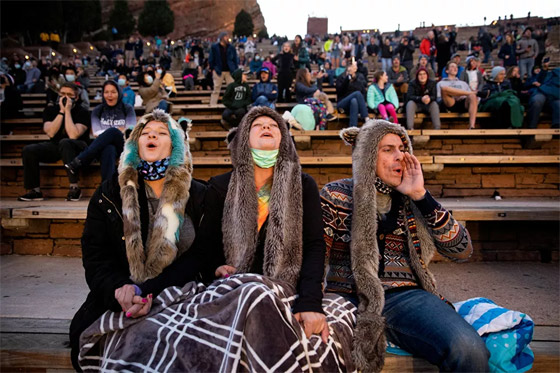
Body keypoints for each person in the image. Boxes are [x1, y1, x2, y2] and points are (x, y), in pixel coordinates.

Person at [320, 120, 489, 372]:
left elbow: (462, 250)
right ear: (365, 154)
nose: (400, 156)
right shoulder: (336, 194)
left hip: (405, 296)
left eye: (402, 148)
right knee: (318, 348)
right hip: (347, 295)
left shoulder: (414, 197)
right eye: (388, 149)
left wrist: (421, 196)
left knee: (468, 348)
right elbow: (312, 254)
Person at [69, 109, 208, 371]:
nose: (152, 134)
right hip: (122, 299)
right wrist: (120, 288)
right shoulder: (109, 193)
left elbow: (202, 254)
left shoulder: (200, 194)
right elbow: (96, 256)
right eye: (145, 132)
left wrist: (149, 291)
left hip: (182, 297)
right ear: (135, 143)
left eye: (162, 132)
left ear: (176, 145)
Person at [18, 83, 91, 201]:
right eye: (62, 94)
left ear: (76, 98)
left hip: (78, 147)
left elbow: (73, 135)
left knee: (66, 142)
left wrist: (68, 111)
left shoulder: (82, 112)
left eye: (69, 95)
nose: (65, 97)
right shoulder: (50, 110)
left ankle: (74, 187)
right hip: (56, 145)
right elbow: (50, 133)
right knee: (29, 150)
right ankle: (35, 190)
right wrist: (61, 112)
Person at [64, 80, 136, 181]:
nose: (109, 95)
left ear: (119, 93)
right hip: (103, 146)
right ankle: (107, 189)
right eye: (106, 92)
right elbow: (96, 133)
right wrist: (119, 129)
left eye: (113, 92)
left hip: (124, 145)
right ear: (103, 94)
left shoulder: (127, 108)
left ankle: (80, 160)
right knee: (109, 148)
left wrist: (114, 131)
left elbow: (130, 131)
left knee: (112, 132)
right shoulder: (97, 110)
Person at [437, 61, 479, 129]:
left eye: (456, 67)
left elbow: (470, 98)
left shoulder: (463, 83)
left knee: (472, 96)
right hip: (449, 103)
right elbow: (439, 98)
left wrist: (469, 94)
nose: (455, 68)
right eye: (452, 66)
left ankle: (472, 126)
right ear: (447, 70)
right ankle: (471, 92)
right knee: (444, 89)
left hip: (462, 103)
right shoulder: (441, 83)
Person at [209, 32, 238, 105]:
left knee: (232, 88)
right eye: (226, 36)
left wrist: (235, 69)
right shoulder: (215, 47)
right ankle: (212, 104)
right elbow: (211, 58)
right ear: (222, 38)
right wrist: (213, 67)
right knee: (216, 89)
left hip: (230, 71)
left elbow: (235, 59)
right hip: (218, 70)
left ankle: (233, 104)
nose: (228, 38)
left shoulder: (231, 47)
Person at [336, 61, 368, 127]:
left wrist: (355, 79)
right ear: (348, 68)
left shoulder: (358, 79)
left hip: (354, 105)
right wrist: (348, 78)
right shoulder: (341, 78)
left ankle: (353, 127)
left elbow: (364, 93)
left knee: (354, 101)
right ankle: (366, 117)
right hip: (342, 104)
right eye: (353, 66)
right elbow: (340, 91)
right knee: (357, 94)